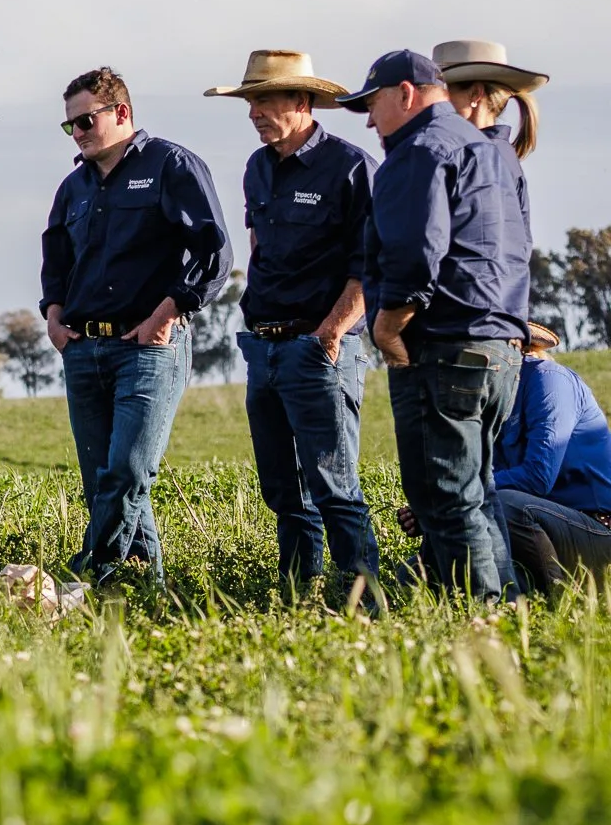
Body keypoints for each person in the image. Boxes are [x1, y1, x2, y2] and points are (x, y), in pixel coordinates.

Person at [340, 46, 530, 599]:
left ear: (405, 94)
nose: (370, 121)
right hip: (499, 347)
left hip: (442, 348)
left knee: (443, 498)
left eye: (372, 105)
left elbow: (415, 252)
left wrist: (387, 327)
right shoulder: (494, 152)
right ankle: (509, 611)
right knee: (477, 490)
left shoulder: (418, 151)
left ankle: (483, 620)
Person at [41, 65, 231, 585]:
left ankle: (90, 575)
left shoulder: (172, 165)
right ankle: (142, 587)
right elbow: (55, 261)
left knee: (127, 471)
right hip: (83, 350)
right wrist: (55, 320)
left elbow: (215, 253)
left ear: (121, 113)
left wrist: (166, 314)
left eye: (85, 122)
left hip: (148, 347)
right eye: (70, 127)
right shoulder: (72, 187)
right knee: (101, 481)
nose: (77, 134)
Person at [204, 47, 378, 596]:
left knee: (333, 484)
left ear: (302, 102)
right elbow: (260, 250)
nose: (253, 112)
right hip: (266, 347)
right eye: (250, 101)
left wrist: (329, 334)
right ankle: (299, 592)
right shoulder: (257, 169)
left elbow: (371, 266)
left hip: (319, 348)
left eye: (264, 100)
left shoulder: (350, 167)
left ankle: (362, 596)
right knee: (283, 489)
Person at [489, 327, 611, 593]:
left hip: (595, 527)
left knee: (504, 504)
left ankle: (559, 604)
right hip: (540, 530)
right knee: (420, 563)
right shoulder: (491, 399)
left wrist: (465, 491)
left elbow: (538, 476)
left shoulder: (547, 379)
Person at [434, 39, 547, 163]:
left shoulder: (472, 159)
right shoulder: (499, 156)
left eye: (444, 92)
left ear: (475, 93)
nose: (435, 103)